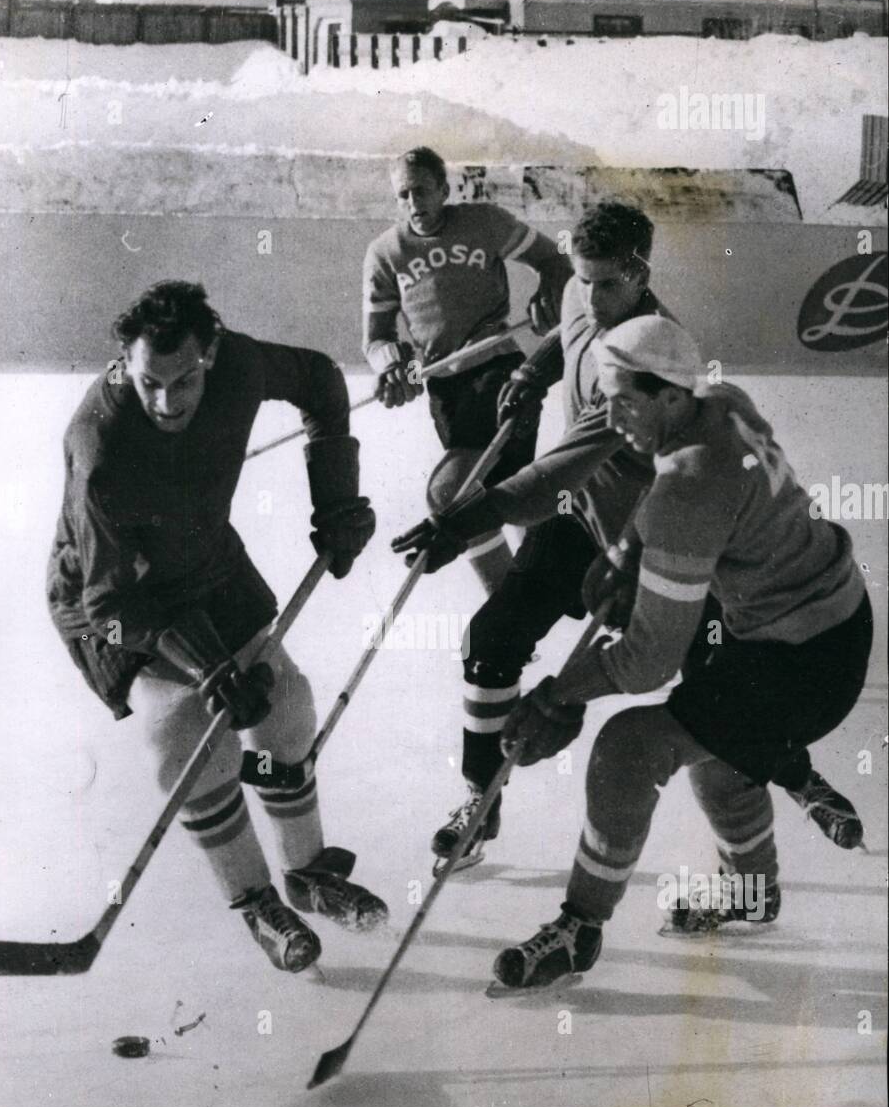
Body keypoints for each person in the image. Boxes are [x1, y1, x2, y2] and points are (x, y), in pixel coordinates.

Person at [392, 200, 864, 872]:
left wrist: (467, 519)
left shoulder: (652, 359)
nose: (589, 293)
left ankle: (795, 774)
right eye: (581, 277)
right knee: (493, 636)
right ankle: (479, 800)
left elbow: (553, 470)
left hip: (664, 543)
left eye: (606, 281)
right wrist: (536, 368)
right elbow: (568, 328)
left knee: (710, 697)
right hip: (581, 521)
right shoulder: (583, 297)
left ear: (641, 272)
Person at [489, 316, 872, 989]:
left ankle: (580, 926)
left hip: (801, 660)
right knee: (717, 750)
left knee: (630, 749)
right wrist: (627, 554)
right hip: (822, 620)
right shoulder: (721, 404)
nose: (608, 415)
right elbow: (677, 495)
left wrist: (557, 693)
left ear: (669, 396)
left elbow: (646, 661)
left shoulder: (689, 487)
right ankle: (754, 889)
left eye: (622, 399)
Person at [47, 281, 386, 977]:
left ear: (209, 354)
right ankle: (256, 900)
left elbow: (321, 380)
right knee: (185, 736)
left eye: (182, 382)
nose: (167, 403)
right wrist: (204, 667)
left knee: (286, 707)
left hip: (206, 559)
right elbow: (111, 605)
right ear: (124, 365)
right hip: (116, 598)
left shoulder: (240, 365)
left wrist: (337, 500)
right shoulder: (99, 446)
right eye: (149, 384)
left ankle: (309, 874)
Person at [362, 145, 572, 593]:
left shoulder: (484, 222)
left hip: (499, 371)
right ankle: (524, 595)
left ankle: (510, 607)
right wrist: (392, 366)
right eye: (402, 196)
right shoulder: (384, 253)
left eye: (421, 191)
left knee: (453, 493)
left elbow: (555, 260)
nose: (413, 204)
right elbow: (375, 338)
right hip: (445, 390)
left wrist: (546, 297)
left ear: (444, 188)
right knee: (504, 496)